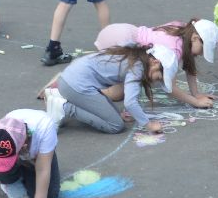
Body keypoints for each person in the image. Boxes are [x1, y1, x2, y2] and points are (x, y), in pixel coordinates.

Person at [43, 44, 175, 135]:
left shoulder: (135, 56)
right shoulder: (137, 68)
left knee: (116, 116)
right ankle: (64, 107)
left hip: (71, 78)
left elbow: (130, 97)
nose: (155, 81)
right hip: (75, 85)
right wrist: (149, 125)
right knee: (115, 125)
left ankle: (59, 97)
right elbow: (130, 102)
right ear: (155, 62)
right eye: (159, 78)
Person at [93, 19, 218, 108]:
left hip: (122, 30)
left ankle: (91, 77)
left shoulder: (184, 29)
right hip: (119, 42)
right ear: (195, 38)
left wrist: (196, 94)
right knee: (117, 94)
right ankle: (86, 89)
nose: (202, 54)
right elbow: (170, 88)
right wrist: (196, 102)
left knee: (129, 81)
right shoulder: (173, 49)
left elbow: (189, 64)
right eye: (204, 49)